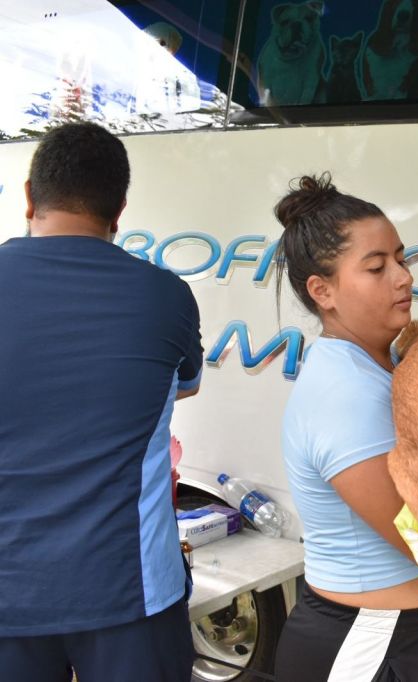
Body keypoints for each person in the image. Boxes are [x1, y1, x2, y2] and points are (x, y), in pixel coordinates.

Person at [0, 122, 203, 681]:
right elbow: (185, 383)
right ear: (119, 210)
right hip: (131, 593)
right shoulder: (166, 296)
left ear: (28, 197)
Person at [271, 174, 418, 682]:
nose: (403, 278)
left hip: (411, 635)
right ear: (323, 291)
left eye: (401, 259)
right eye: (377, 267)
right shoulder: (348, 394)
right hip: (372, 642)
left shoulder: (385, 367)